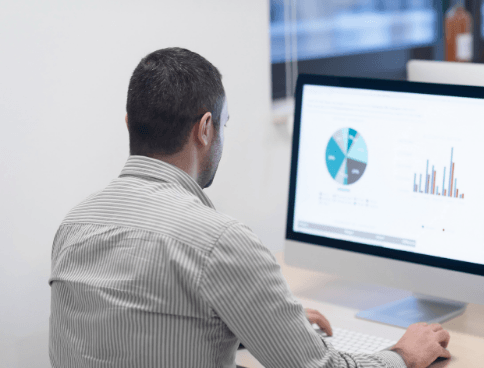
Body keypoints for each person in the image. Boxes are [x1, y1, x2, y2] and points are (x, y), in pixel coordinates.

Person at [49, 47, 450, 368]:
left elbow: (133, 330)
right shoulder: (218, 242)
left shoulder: (74, 226)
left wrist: (258, 324)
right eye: (223, 124)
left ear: (128, 123)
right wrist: (403, 356)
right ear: (205, 129)